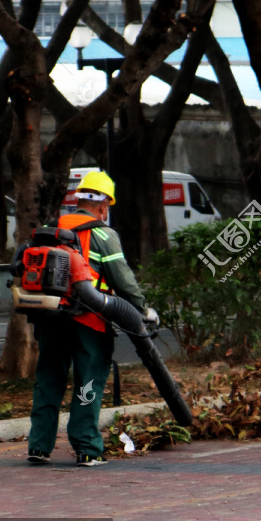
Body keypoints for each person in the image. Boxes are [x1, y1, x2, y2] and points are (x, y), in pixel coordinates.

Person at [27, 171, 158, 467]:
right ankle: (87, 449)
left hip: (50, 317)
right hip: (90, 320)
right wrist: (143, 309)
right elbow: (123, 282)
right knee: (88, 383)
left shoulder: (51, 228)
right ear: (103, 207)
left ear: (78, 200)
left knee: (48, 380)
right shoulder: (103, 234)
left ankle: (38, 447)